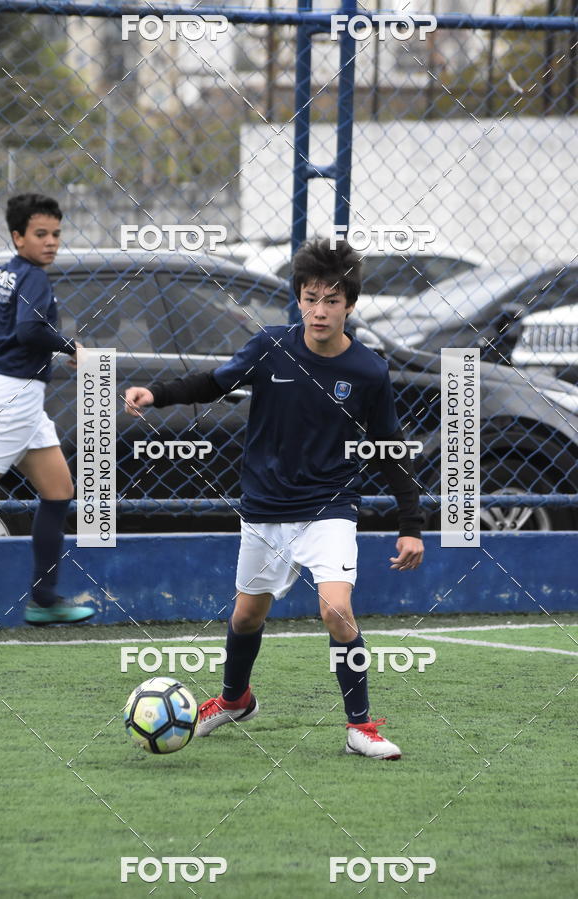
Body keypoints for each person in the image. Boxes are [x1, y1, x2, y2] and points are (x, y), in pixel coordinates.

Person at [124, 238, 424, 758]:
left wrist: (411, 524)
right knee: (246, 618)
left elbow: (392, 449)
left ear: (349, 305)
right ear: (299, 299)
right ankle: (236, 698)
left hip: (329, 507)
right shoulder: (270, 347)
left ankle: (360, 728)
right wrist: (158, 393)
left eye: (332, 301)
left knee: (336, 610)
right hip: (265, 510)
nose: (319, 311)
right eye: (310, 298)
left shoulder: (369, 371)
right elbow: (215, 382)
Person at [0, 193, 94, 625]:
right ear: (17, 236)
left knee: (58, 492)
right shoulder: (33, 279)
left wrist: (1, 340)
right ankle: (44, 598)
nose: (51, 242)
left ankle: (44, 600)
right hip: (13, 396)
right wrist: (70, 346)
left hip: (15, 394)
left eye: (56, 234)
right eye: (40, 234)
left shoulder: (2, 275)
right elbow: (29, 330)